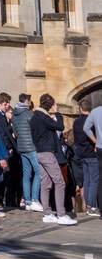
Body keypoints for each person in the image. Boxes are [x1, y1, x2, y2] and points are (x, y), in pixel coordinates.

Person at [31, 93, 76, 225]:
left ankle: (47, 213)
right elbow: (60, 127)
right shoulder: (44, 117)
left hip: (38, 152)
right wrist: (57, 115)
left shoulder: (35, 117)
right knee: (60, 182)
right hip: (47, 153)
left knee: (45, 183)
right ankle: (61, 215)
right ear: (50, 105)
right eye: (54, 104)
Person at [11, 93, 43, 212]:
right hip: (31, 146)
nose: (30, 103)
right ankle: (34, 199)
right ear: (26, 101)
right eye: (29, 101)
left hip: (21, 147)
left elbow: (15, 133)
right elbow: (36, 130)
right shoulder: (29, 114)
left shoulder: (14, 115)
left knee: (26, 174)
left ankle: (28, 202)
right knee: (39, 172)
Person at [80, 96, 102, 217]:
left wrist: (95, 140)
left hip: (99, 147)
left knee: (98, 180)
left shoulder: (95, 111)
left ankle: (97, 208)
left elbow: (85, 128)